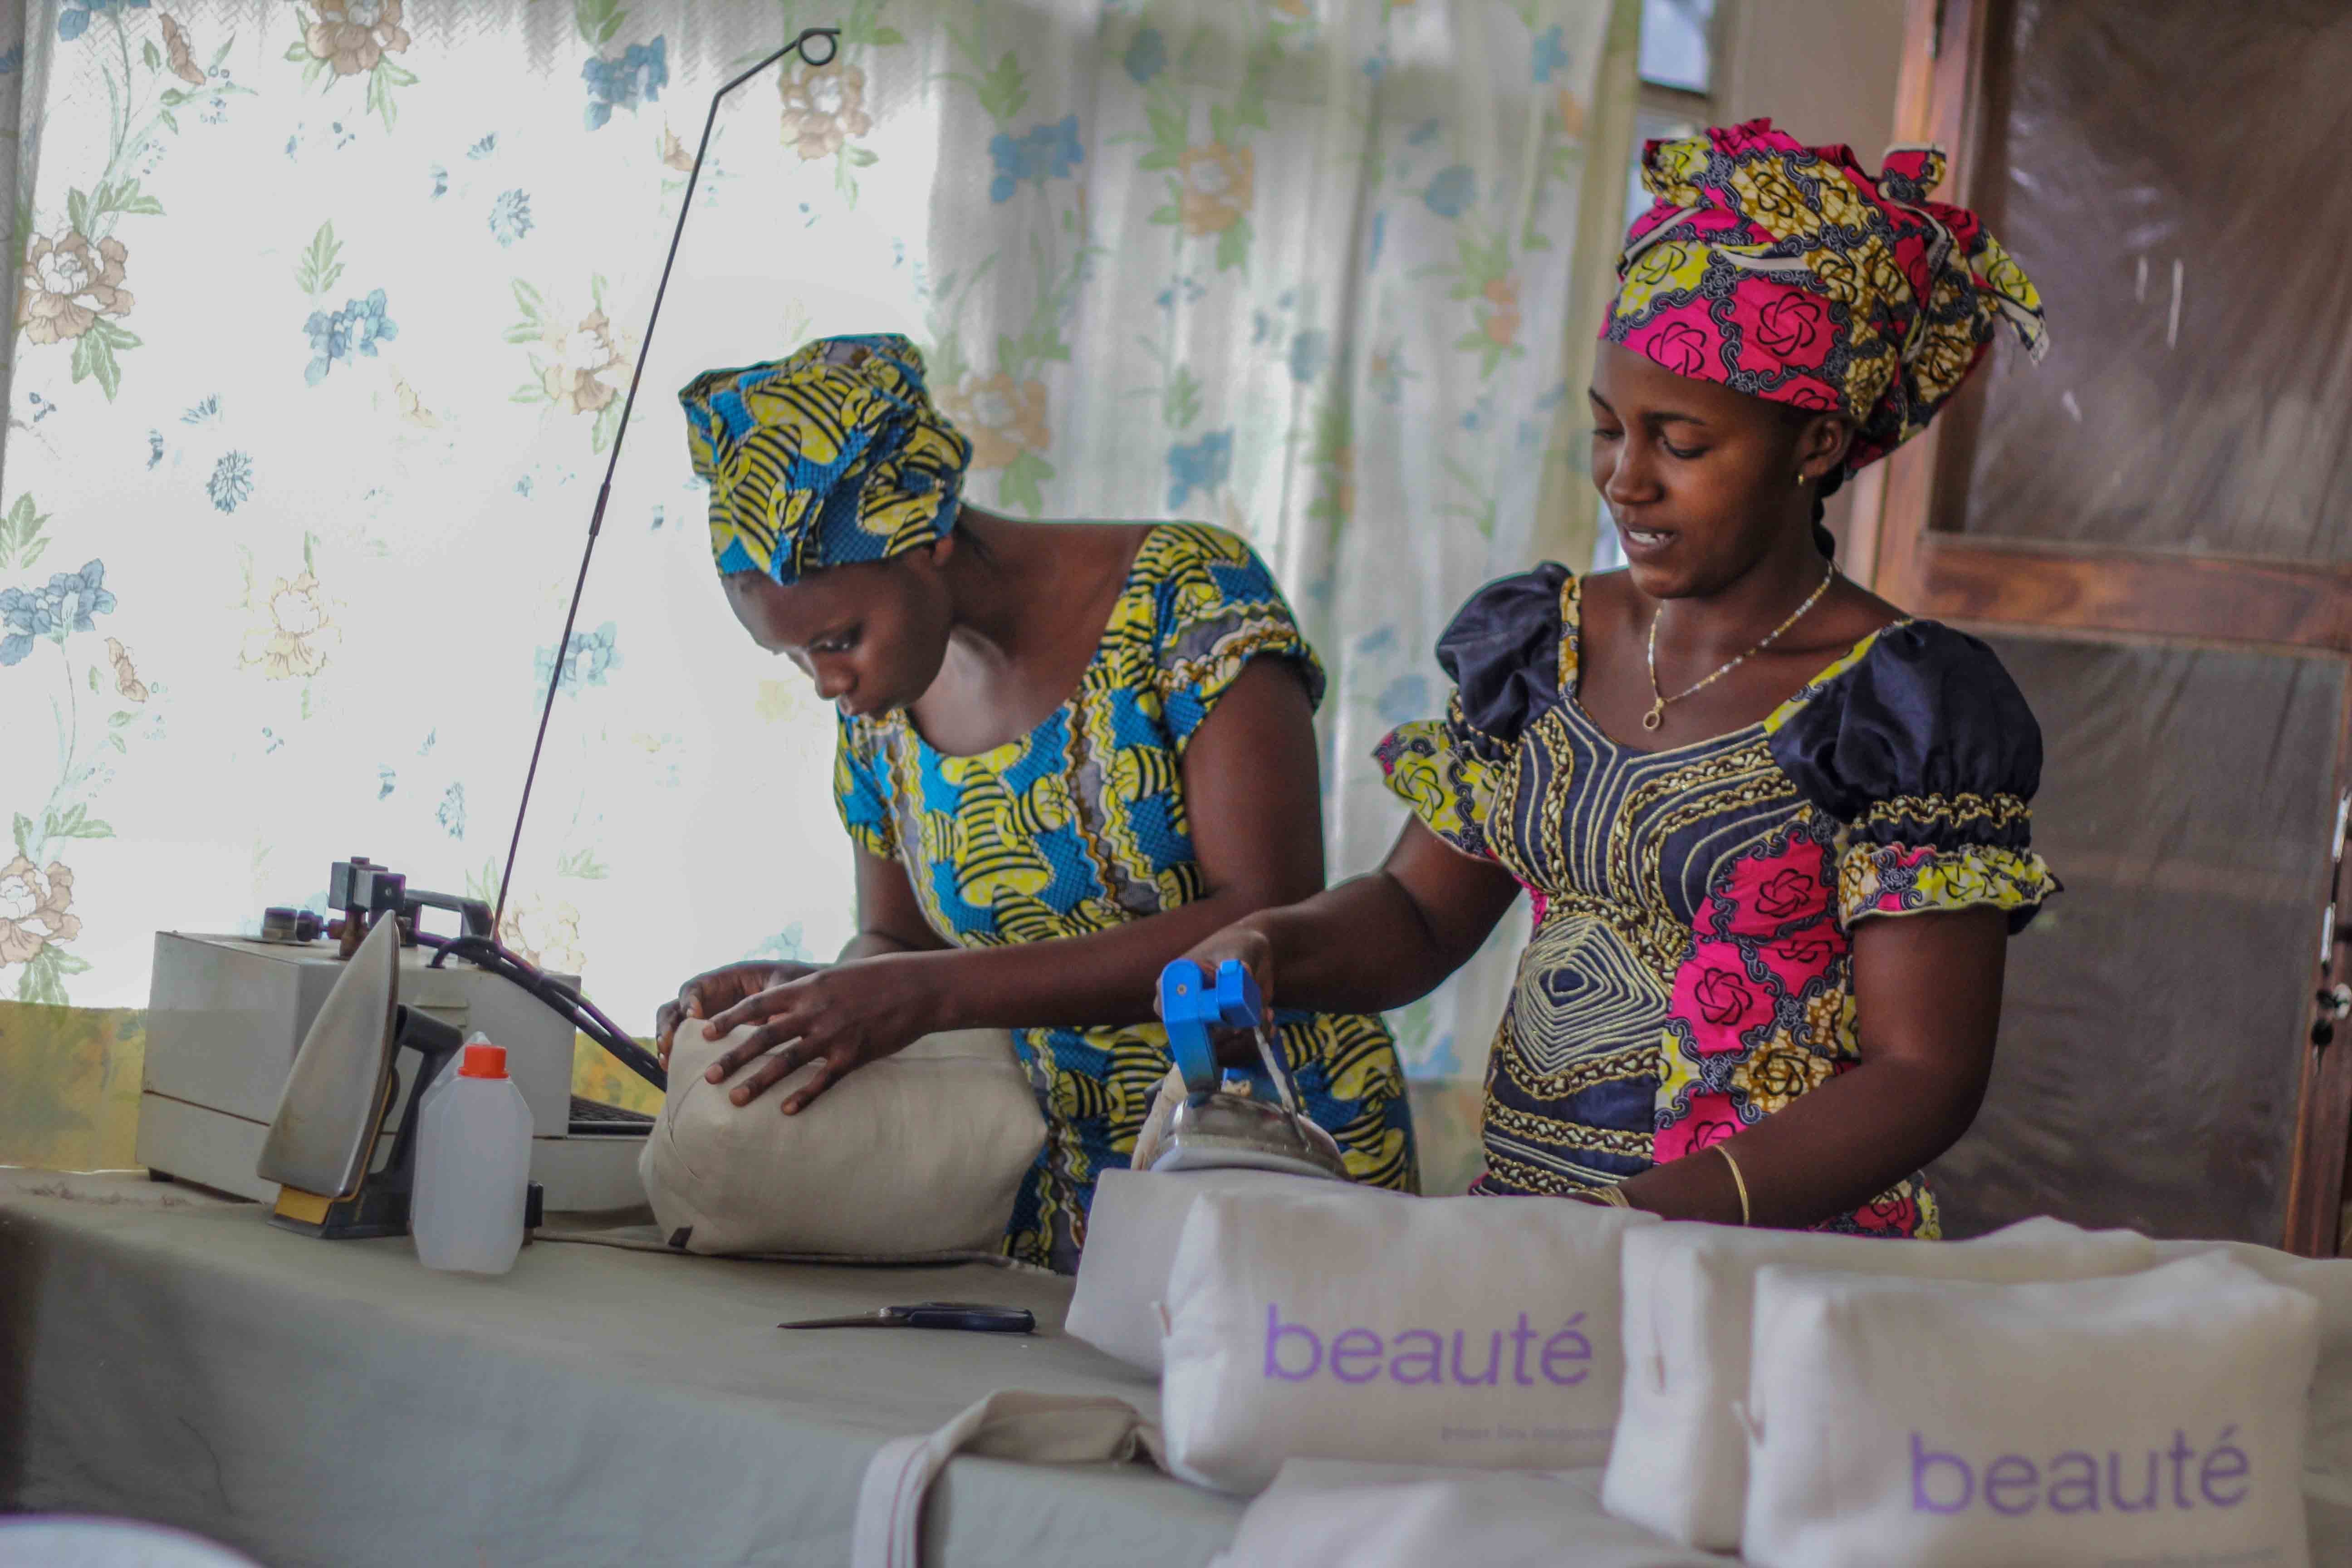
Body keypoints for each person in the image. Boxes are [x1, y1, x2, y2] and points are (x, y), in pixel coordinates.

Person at [1174, 120, 2058, 1235]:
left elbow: (1923, 1074)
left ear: (1817, 445)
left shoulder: (1899, 710)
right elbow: (1412, 917)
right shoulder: (1544, 646)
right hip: (1535, 1237)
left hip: (1766, 1268)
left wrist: (1645, 1218)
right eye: (1607, 430)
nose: (1625, 481)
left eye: (1680, 445)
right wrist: (1270, 945)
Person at [652, 333, 1417, 1270]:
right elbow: (899, 945)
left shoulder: (1186, 600)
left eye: (839, 638)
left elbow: (1265, 915)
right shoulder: (880, 710)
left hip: (1265, 1166)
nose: (824, 682)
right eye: (795, 657)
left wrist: (924, 994)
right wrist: (812, 999)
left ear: (926, 538)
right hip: (1046, 1203)